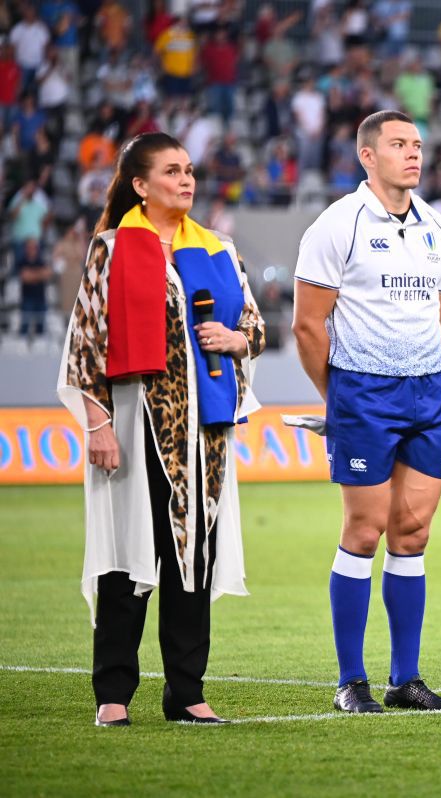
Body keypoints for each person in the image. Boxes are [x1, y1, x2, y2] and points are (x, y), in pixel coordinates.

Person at [57, 132, 266, 726]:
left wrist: (238, 339)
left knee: (192, 558)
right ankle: (114, 693)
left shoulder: (219, 248)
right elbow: (84, 343)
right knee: (129, 557)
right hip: (134, 421)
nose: (187, 180)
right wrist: (98, 423)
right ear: (140, 185)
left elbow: (253, 326)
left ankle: (187, 690)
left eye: (190, 170)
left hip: (206, 434)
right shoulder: (112, 248)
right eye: (172, 171)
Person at [292, 111, 441, 714]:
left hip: (427, 391)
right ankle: (351, 679)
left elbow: (440, 319)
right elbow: (308, 325)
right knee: (364, 530)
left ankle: (405, 678)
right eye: (398, 145)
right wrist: (337, 397)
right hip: (363, 394)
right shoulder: (337, 225)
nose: (413, 154)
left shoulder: (440, 229)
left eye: (417, 144)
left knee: (412, 533)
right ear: (368, 156)